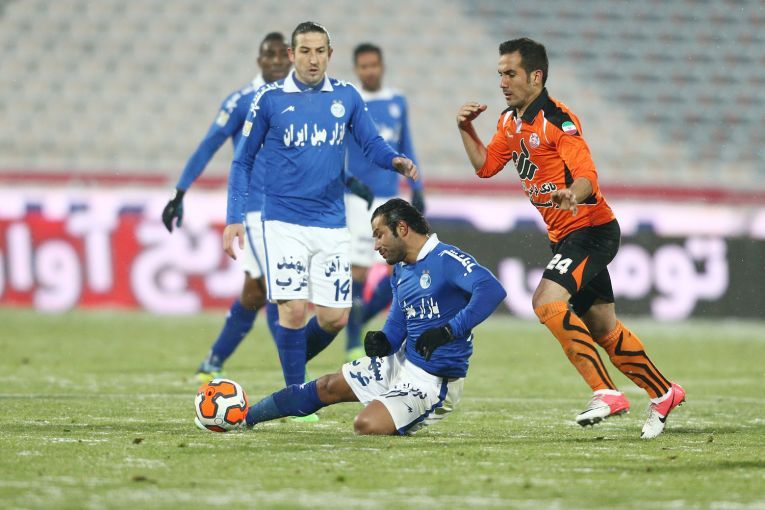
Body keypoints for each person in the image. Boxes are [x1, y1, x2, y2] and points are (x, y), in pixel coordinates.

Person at [456, 37, 685, 439]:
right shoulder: (509, 122)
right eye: (500, 74)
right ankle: (664, 393)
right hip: (565, 237)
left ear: (536, 76)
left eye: (510, 74)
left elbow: (587, 176)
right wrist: (465, 127)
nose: (503, 83)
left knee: (546, 301)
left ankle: (606, 392)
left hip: (591, 230)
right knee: (603, 328)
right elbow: (486, 166)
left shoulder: (558, 120)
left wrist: (572, 194)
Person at [223, 23, 417, 411]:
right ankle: (295, 395)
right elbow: (242, 161)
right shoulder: (269, 99)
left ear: (330, 54)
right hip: (283, 221)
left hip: (331, 222)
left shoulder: (346, 96)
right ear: (291, 55)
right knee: (293, 309)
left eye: (319, 51)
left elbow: (371, 143)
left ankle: (291, 361)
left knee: (334, 318)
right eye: (305, 51)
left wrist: (393, 159)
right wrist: (234, 217)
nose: (313, 59)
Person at [243, 198, 506, 434]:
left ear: (402, 228)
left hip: (433, 382)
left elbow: (492, 290)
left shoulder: (446, 258)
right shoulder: (401, 270)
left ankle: (398, 409)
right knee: (327, 386)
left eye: (380, 235)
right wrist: (384, 341)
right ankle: (245, 417)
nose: (376, 245)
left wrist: (449, 330)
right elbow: (398, 322)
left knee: (366, 424)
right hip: (400, 364)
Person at [161, 32, 290, 382]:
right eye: (270, 55)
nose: (277, 61)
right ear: (259, 60)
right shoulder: (241, 101)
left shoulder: (302, 99)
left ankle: (212, 361)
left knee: (255, 291)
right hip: (257, 211)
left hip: (293, 209)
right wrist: (179, 192)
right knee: (279, 289)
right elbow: (208, 146)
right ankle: (295, 377)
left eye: (283, 54)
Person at [344, 43, 425, 362]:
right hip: (358, 199)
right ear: (356, 69)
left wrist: (418, 187)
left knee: (400, 266)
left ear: (382, 66)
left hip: (391, 196)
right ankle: (352, 341)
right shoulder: (349, 101)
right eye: (364, 66)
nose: (370, 71)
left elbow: (406, 145)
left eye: (374, 65)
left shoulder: (397, 101)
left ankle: (360, 320)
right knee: (359, 269)